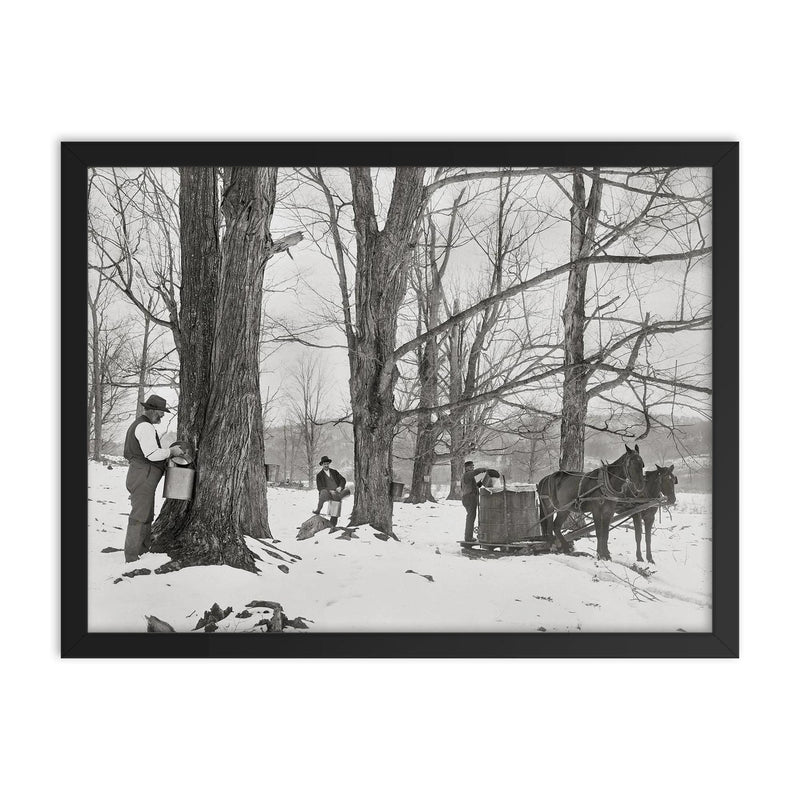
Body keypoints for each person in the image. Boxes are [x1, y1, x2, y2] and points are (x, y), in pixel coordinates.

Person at [122, 395, 185, 562]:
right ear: (152, 410)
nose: (163, 416)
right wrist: (171, 452)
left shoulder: (143, 425)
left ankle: (142, 550)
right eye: (161, 412)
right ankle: (132, 556)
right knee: (139, 515)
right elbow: (152, 454)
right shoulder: (145, 427)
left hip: (142, 475)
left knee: (147, 514)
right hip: (143, 476)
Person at [461, 460, 501, 542]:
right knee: (471, 518)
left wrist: (481, 482)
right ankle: (468, 537)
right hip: (469, 498)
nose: (472, 468)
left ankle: (468, 536)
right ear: (466, 468)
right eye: (470, 466)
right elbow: (475, 472)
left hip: (469, 498)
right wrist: (484, 469)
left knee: (471, 517)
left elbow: (474, 487)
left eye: (473, 466)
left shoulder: (469, 477)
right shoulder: (467, 475)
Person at [312, 456, 351, 527]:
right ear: (322, 465)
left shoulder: (334, 472)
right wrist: (330, 491)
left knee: (338, 497)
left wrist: (340, 487)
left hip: (336, 492)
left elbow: (343, 479)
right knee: (325, 493)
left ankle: (333, 523)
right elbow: (319, 487)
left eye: (327, 464)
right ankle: (318, 509)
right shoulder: (319, 475)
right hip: (326, 493)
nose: (326, 465)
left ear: (329, 464)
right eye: (324, 464)